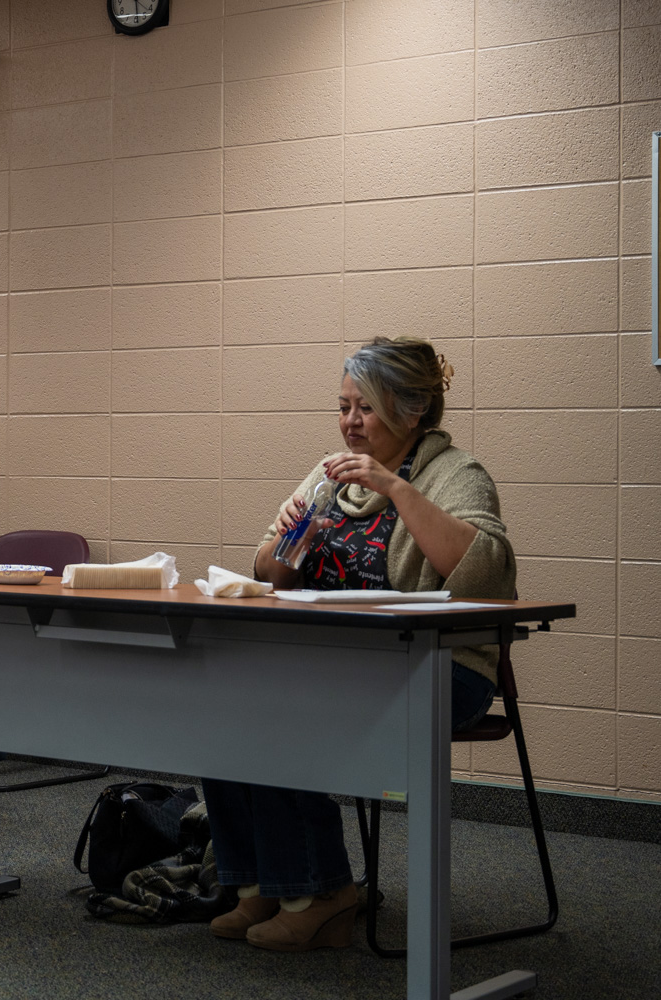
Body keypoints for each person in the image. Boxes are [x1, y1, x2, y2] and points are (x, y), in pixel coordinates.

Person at [202, 336, 516, 952]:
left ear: (413, 411)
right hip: (333, 662)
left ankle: (321, 894)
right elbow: (269, 572)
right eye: (343, 407)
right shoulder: (326, 476)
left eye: (364, 408)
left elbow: (484, 573)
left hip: (440, 667)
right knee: (223, 699)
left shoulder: (457, 475)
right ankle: (263, 884)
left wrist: (398, 490)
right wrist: (294, 545)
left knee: (284, 707)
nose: (349, 422)